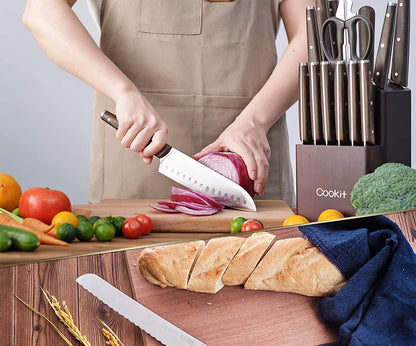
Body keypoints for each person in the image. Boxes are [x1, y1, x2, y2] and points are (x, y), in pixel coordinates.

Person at [23, 0, 312, 207]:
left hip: (248, 159)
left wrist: (254, 122)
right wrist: (123, 91)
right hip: (135, 162)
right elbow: (42, 11)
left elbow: (311, 36)